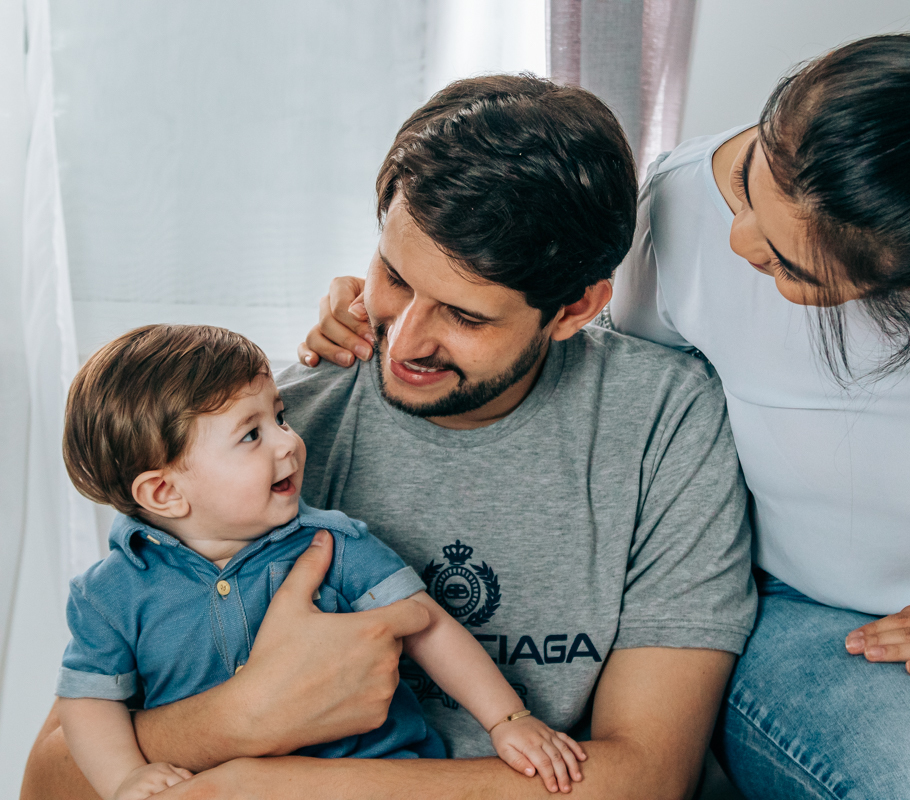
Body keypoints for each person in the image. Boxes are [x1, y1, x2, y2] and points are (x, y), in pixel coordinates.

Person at [305, 34, 910, 800]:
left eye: (786, 266)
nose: (735, 240)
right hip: (809, 613)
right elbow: (532, 330)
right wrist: (378, 310)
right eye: (747, 181)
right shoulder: (674, 210)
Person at [22, 75, 755, 800]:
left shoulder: (660, 423)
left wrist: (265, 784)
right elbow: (50, 783)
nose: (402, 343)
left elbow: (645, 777)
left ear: (574, 309)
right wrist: (241, 718)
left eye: (465, 316)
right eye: (395, 277)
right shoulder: (271, 435)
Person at [54, 324, 586, 800]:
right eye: (252, 434)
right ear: (165, 493)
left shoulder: (334, 542)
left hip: (374, 777)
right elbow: (89, 704)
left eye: (280, 417)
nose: (288, 442)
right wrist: (125, 778)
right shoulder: (107, 595)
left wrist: (507, 719)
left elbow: (427, 625)